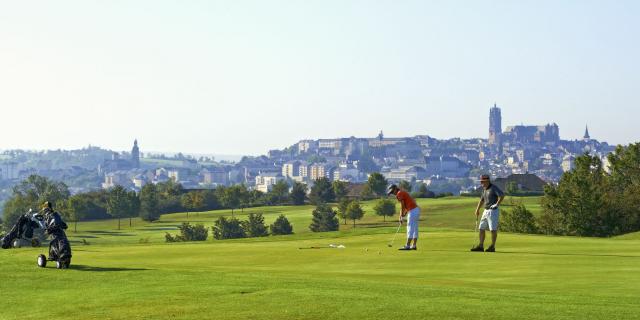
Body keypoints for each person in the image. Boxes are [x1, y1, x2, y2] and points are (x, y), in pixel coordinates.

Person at [471, 175, 505, 252]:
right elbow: (482, 200)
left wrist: (497, 204)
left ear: (487, 181)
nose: (481, 183)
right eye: (481, 181)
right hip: (485, 211)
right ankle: (481, 246)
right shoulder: (484, 189)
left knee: (493, 229)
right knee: (481, 228)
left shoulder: (493, 188)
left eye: (482, 181)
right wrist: (477, 209)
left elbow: (501, 195)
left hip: (493, 211)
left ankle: (492, 246)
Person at [387, 184, 421, 250]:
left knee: (410, 227)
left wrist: (401, 216)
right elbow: (406, 205)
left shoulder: (399, 193)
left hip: (413, 211)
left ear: (395, 189)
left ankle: (407, 245)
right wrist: (403, 214)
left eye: (392, 192)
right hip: (415, 210)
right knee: (414, 228)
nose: (392, 194)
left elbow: (402, 206)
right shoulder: (402, 192)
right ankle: (414, 245)